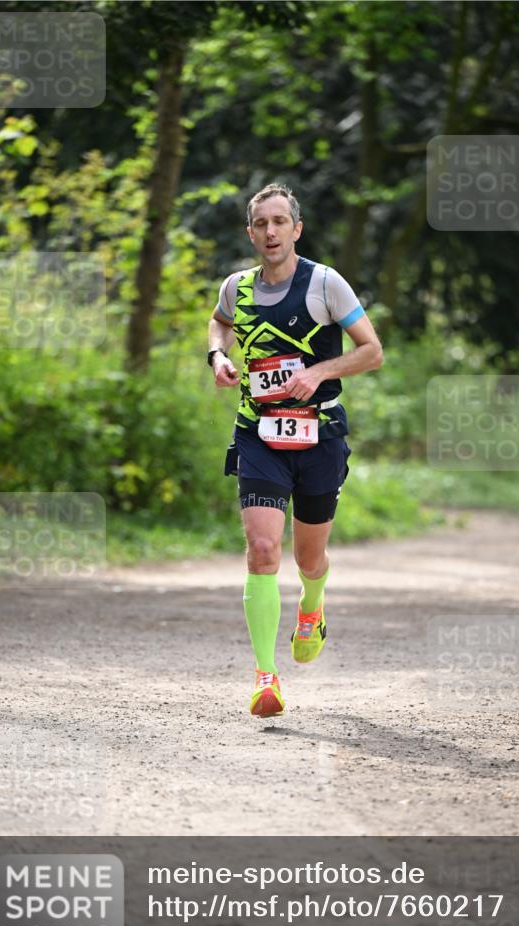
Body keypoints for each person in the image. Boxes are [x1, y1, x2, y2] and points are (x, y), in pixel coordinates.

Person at [208, 183, 383, 718]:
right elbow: (220, 322)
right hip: (258, 432)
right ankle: (266, 678)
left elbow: (372, 352)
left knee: (309, 558)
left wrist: (319, 372)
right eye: (261, 224)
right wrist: (218, 356)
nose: (271, 232)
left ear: (296, 229)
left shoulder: (325, 283)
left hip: (319, 436)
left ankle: (312, 605)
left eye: (280, 221)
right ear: (251, 233)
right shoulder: (236, 288)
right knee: (263, 550)